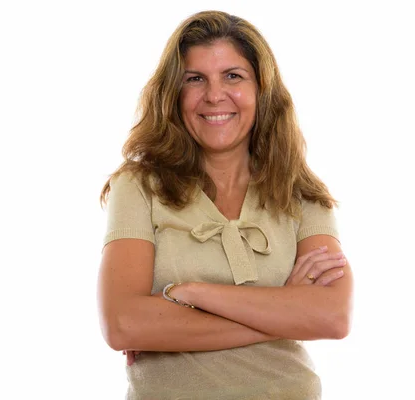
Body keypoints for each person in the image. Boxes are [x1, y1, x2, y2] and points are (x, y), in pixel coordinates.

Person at [97, 10, 353, 400]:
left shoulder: (301, 195)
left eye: (233, 76)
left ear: (260, 89)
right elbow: (122, 324)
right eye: (195, 79)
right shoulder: (138, 187)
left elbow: (332, 317)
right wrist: (284, 312)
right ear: (174, 93)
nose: (214, 95)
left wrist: (194, 294)